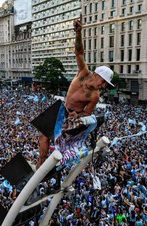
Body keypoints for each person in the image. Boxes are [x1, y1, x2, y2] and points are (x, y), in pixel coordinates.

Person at [37, 14, 114, 169]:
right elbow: (79, 53)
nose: (104, 86)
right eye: (104, 82)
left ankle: (54, 165)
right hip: (61, 109)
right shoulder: (84, 73)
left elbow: (87, 113)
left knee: (61, 143)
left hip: (73, 117)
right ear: (98, 75)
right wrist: (78, 33)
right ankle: (40, 164)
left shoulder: (95, 95)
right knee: (44, 136)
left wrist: (77, 115)